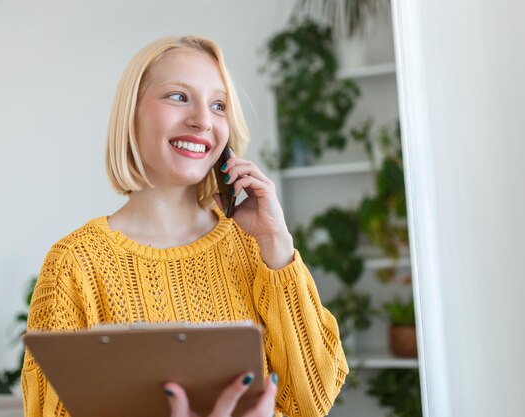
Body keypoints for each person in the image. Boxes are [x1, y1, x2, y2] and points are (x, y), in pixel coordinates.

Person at [21, 35, 348, 417]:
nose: (202, 121)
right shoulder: (75, 264)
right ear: (132, 113)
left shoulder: (255, 248)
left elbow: (313, 401)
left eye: (218, 105)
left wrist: (277, 244)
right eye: (178, 96)